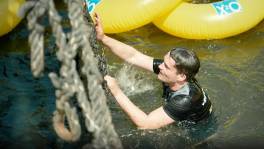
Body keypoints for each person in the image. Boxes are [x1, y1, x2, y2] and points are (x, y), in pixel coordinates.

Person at [94, 13, 212, 130]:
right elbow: (133, 56)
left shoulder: (185, 100)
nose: (160, 66)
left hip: (197, 132)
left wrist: (116, 91)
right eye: (163, 62)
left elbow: (145, 124)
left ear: (181, 77)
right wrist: (103, 38)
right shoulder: (175, 73)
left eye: (166, 66)